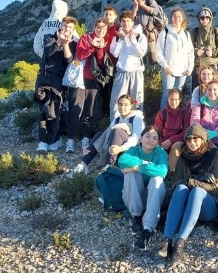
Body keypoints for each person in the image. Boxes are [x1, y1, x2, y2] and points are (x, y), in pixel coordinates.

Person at [159, 124, 218, 267]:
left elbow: (215, 187)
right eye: (189, 140)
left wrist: (193, 182)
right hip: (188, 204)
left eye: (196, 139)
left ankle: (180, 244)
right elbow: (175, 184)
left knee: (197, 191)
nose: (192, 143)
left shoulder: (214, 156)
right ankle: (167, 240)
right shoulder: (183, 158)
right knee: (180, 187)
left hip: (209, 206)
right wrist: (194, 180)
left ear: (203, 140)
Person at [118, 126, 169, 250]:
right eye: (147, 136)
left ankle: (148, 229)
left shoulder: (161, 153)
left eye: (154, 138)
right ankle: (136, 216)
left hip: (153, 198)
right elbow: (122, 160)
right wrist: (143, 164)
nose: (150, 140)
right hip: (134, 197)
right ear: (140, 138)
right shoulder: (133, 150)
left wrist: (137, 167)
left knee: (157, 179)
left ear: (157, 142)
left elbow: (162, 171)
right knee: (130, 174)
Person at [34, 16, 78, 153]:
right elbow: (48, 52)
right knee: (44, 109)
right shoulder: (49, 37)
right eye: (65, 26)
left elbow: (69, 60)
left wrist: (65, 44)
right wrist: (59, 40)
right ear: (61, 26)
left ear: (73, 30)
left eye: (70, 27)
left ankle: (51, 140)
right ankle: (45, 141)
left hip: (58, 81)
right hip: (43, 79)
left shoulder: (73, 44)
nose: (67, 29)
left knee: (55, 110)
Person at [67, 18, 111, 153]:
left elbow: (101, 62)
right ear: (94, 27)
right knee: (75, 110)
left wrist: (99, 48)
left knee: (89, 111)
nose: (101, 30)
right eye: (99, 28)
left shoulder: (104, 41)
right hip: (79, 80)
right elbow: (80, 55)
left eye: (104, 29)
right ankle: (70, 140)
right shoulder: (85, 38)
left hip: (93, 81)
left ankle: (85, 138)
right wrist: (92, 45)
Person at [75, 94, 145, 174]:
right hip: (115, 147)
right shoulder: (117, 119)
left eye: (126, 105)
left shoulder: (136, 118)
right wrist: (90, 146)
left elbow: (135, 139)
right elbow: (107, 134)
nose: (122, 107)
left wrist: (121, 148)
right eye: (120, 104)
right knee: (100, 134)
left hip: (130, 149)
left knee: (116, 131)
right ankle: (83, 164)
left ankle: (109, 164)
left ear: (131, 106)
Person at [110, 11, 148, 115]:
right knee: (116, 102)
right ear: (120, 23)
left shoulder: (140, 37)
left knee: (137, 102)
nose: (126, 23)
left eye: (128, 21)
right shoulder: (117, 37)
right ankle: (115, 127)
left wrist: (132, 41)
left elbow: (141, 53)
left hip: (136, 73)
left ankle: (136, 125)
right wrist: (122, 40)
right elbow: (115, 54)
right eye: (123, 21)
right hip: (122, 73)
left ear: (132, 23)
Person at [155, 8, 194, 109]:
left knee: (178, 95)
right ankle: (163, 120)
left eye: (179, 17)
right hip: (169, 70)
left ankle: (175, 120)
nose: (177, 19)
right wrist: (165, 66)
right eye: (174, 16)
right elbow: (158, 51)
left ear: (183, 19)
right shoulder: (165, 32)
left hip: (183, 71)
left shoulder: (186, 34)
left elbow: (190, 52)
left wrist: (190, 68)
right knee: (167, 94)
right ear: (171, 18)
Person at [190, 7, 218, 90]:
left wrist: (213, 53)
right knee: (197, 90)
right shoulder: (194, 32)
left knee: (213, 90)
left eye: (207, 18)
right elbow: (188, 49)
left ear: (210, 18)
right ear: (199, 19)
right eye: (202, 18)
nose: (204, 20)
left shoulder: (216, 31)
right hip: (198, 67)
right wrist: (196, 52)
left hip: (212, 66)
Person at [190, 79, 218, 150]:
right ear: (205, 91)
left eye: (215, 89)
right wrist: (201, 133)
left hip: (216, 141)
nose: (212, 92)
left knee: (211, 152)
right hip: (199, 138)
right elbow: (194, 121)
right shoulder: (198, 106)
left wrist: (214, 133)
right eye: (209, 90)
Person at [131, 0, 165, 64]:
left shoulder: (149, 0)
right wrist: (135, 7)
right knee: (140, 56)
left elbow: (155, 11)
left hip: (150, 34)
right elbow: (131, 19)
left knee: (153, 57)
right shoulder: (134, 4)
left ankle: (155, 75)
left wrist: (142, 5)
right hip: (138, 35)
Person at [99, 5, 119, 116]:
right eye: (106, 14)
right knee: (102, 92)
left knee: (111, 92)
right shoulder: (101, 29)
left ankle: (109, 116)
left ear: (115, 16)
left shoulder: (118, 30)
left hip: (114, 65)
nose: (108, 16)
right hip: (100, 65)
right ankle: (103, 117)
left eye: (110, 14)